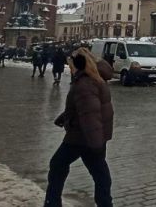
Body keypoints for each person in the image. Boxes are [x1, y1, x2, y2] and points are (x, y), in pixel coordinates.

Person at [44, 49, 114, 207]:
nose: (69, 67)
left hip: (82, 137)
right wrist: (65, 116)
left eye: (70, 64)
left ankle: (52, 203)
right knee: (100, 175)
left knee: (57, 165)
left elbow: (90, 114)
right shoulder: (94, 78)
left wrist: (95, 144)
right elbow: (87, 107)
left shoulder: (84, 84)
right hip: (92, 136)